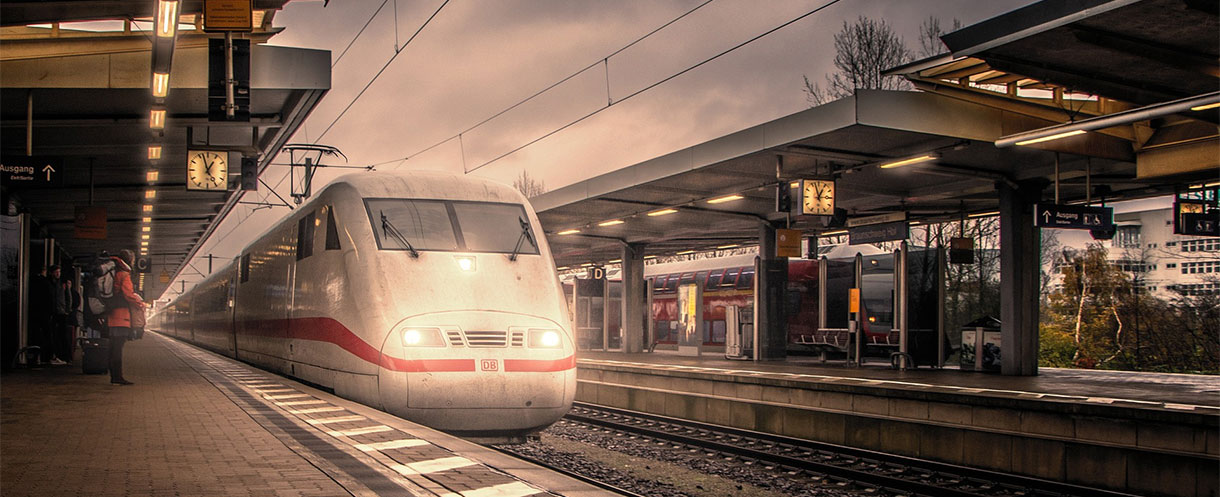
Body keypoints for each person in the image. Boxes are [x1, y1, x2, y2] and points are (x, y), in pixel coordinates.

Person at [105, 250, 144, 385]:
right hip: (122, 317)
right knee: (117, 348)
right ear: (129, 260)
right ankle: (117, 377)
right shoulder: (124, 274)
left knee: (113, 347)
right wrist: (139, 302)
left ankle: (113, 375)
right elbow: (128, 294)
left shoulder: (115, 272)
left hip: (112, 316)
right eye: (133, 259)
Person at [28, 264, 57, 365]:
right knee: (47, 334)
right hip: (45, 312)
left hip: (34, 311)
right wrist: (52, 311)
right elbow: (50, 298)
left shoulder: (31, 281)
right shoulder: (46, 283)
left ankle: (35, 356)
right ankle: (48, 356)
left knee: (36, 334)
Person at [49, 265, 70, 365]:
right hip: (55, 311)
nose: (58, 274)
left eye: (59, 272)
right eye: (56, 272)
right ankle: (60, 355)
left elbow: (68, 297)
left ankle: (64, 356)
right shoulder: (54, 284)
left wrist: (67, 310)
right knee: (56, 334)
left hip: (61, 311)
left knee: (62, 334)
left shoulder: (62, 284)